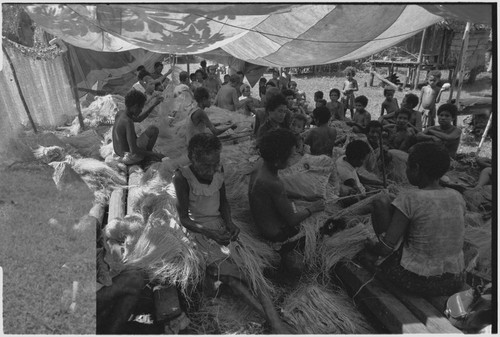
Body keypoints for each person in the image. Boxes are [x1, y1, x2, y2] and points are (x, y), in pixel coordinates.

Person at [173, 134, 292, 333]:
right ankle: (274, 323)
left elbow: (224, 203)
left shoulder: (218, 170)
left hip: (220, 227)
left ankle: (275, 321)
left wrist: (229, 223)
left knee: (252, 273)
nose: (212, 170)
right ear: (192, 158)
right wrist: (210, 233)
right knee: (230, 277)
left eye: (215, 164)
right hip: (198, 231)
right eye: (207, 165)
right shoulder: (182, 177)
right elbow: (184, 219)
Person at [367, 142, 465, 296]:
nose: (405, 170)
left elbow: (386, 249)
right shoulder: (457, 196)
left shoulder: (410, 198)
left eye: (408, 166)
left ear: (417, 168)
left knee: (379, 202)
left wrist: (371, 247)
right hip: (455, 279)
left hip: (419, 281)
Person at [249, 128, 325, 243]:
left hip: (264, 224)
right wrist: (313, 208)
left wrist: (304, 197)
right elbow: (292, 220)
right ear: (278, 161)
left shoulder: (261, 164)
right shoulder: (272, 182)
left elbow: (277, 193)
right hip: (276, 233)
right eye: (291, 156)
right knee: (322, 229)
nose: (293, 160)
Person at [112, 90, 165, 166]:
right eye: (141, 108)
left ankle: (148, 155)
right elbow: (134, 150)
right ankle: (147, 159)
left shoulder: (120, 113)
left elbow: (139, 119)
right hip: (127, 157)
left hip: (118, 152)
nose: (140, 111)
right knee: (153, 130)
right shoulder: (128, 122)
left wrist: (153, 105)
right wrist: (154, 154)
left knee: (149, 131)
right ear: (135, 106)